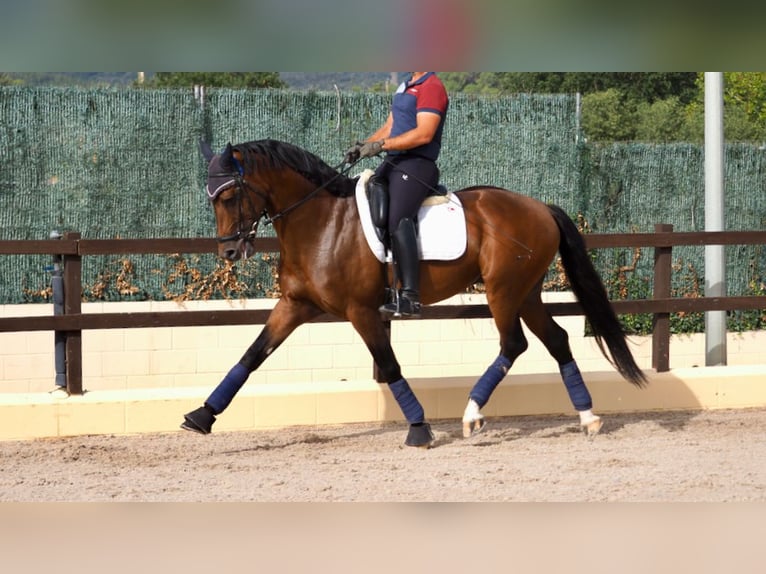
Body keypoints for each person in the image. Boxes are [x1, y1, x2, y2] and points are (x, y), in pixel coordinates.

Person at [345, 72, 449, 318]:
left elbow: (424, 133)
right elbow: (390, 126)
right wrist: (363, 146)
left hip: (418, 163)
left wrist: (382, 146)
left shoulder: (432, 86)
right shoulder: (405, 85)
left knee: (397, 218)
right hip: (394, 162)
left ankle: (410, 296)